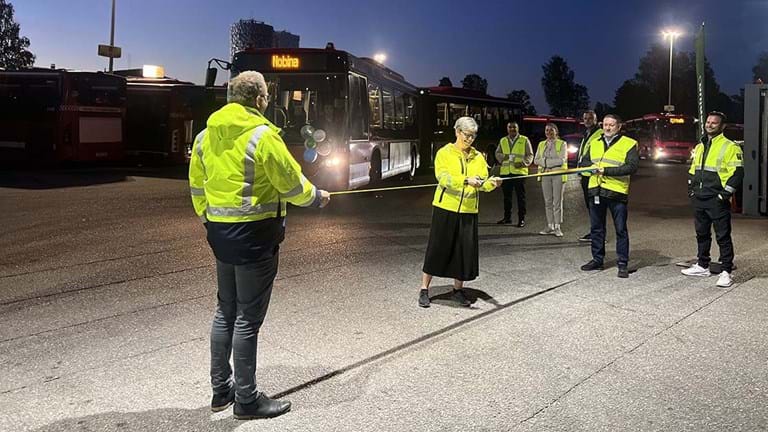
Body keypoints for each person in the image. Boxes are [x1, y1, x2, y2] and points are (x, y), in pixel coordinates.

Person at [189, 71, 330, 420]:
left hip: (220, 235)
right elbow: (292, 183)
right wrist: (316, 198)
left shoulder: (206, 136)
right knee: (247, 319)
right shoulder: (263, 136)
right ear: (260, 100)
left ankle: (221, 391)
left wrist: (210, 222)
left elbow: (196, 186)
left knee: (225, 310)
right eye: (266, 97)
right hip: (255, 236)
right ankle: (247, 400)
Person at [419, 117, 502, 308]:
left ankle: (457, 289)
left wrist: (493, 184)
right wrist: (466, 180)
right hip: (445, 207)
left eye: (473, 136)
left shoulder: (478, 157)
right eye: (467, 135)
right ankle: (424, 289)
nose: (470, 139)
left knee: (463, 252)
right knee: (436, 249)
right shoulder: (444, 153)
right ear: (457, 132)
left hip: (468, 210)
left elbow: (482, 183)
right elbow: (443, 178)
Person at [681, 111, 744, 287]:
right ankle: (702, 265)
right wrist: (691, 190)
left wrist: (724, 195)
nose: (709, 125)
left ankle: (726, 271)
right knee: (701, 234)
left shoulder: (730, 146)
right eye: (708, 122)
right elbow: (693, 170)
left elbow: (738, 173)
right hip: (700, 198)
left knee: (723, 236)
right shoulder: (700, 146)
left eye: (714, 123)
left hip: (717, 199)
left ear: (722, 126)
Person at [580, 114, 639, 278]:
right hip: (596, 190)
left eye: (611, 125)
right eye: (605, 124)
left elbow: (632, 167)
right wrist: (590, 167)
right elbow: (583, 163)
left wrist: (605, 171)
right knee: (596, 228)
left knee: (620, 229)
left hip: (616, 192)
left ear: (619, 127)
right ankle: (597, 260)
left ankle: (622, 264)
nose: (607, 127)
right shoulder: (594, 143)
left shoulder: (629, 143)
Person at [495, 121, 533, 227]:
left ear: (518, 128)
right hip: (506, 173)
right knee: (507, 197)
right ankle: (507, 218)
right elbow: (497, 153)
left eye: (514, 127)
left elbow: (530, 155)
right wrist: (504, 157)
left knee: (521, 197)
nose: (512, 129)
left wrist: (522, 163)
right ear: (507, 129)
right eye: (510, 127)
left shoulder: (524, 140)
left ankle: (521, 219)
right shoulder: (503, 140)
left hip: (519, 173)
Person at [534, 123, 567, 237]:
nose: (548, 132)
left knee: (557, 202)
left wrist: (546, 163)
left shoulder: (562, 144)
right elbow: (536, 160)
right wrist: (546, 163)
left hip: (558, 175)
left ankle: (557, 227)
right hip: (545, 175)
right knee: (548, 202)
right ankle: (549, 225)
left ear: (556, 131)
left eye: (551, 130)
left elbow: (561, 160)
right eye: (547, 130)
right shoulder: (541, 144)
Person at [576, 110, 603, 242]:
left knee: (596, 206)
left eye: (590, 118)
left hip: (593, 175)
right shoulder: (587, 133)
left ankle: (599, 235)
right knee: (590, 206)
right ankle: (595, 232)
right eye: (585, 118)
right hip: (586, 175)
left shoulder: (599, 133)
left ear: (596, 120)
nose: (587, 120)